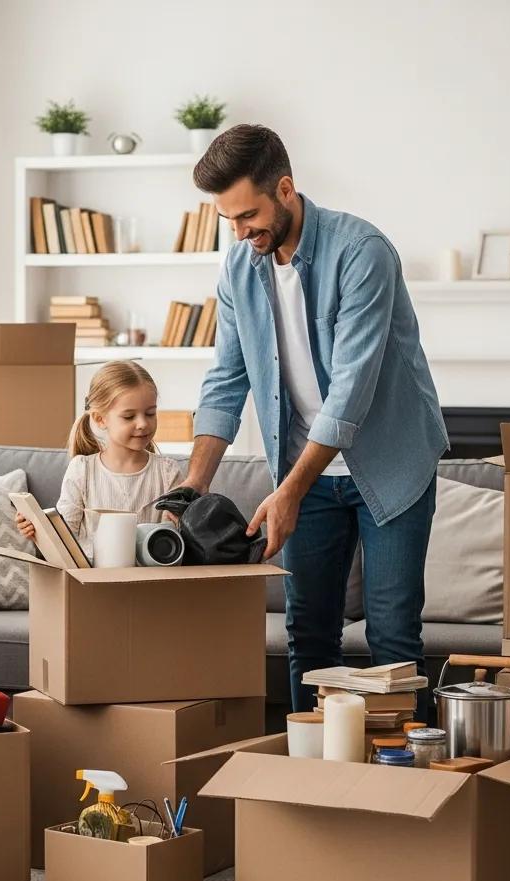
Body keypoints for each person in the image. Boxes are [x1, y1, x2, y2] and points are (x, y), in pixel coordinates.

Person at [181, 125, 449, 715]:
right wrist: (190, 488)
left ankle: (405, 791)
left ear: (286, 189)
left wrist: (288, 492)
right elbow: (226, 379)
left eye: (248, 214)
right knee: (310, 639)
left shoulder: (362, 252)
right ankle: (314, 784)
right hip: (308, 471)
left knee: (392, 643)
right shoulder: (238, 269)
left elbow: (350, 393)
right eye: (228, 219)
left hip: (391, 463)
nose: (240, 232)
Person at [16, 360, 183, 557]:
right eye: (129, 417)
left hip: (148, 582)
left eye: (150, 413)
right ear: (100, 419)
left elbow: (173, 541)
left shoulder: (167, 472)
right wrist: (37, 530)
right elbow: (65, 539)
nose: (142, 424)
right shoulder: (82, 470)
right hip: (93, 582)